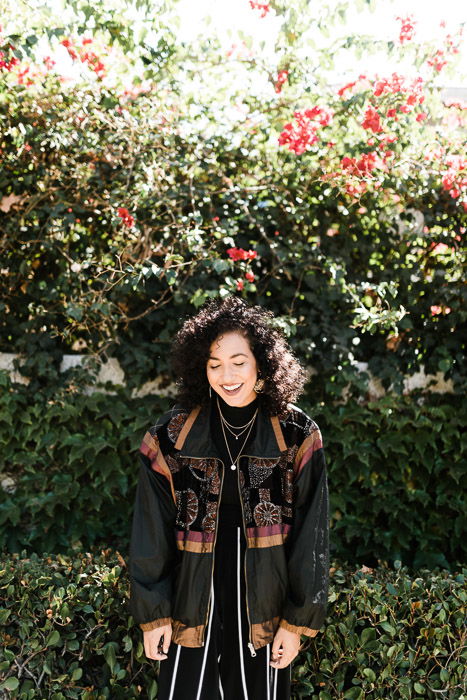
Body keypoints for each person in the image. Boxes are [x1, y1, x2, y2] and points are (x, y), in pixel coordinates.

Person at [128, 295, 330, 700]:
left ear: (262, 364)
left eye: (239, 361)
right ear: (200, 368)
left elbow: (313, 535)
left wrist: (296, 622)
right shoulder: (171, 435)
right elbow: (151, 528)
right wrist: (155, 615)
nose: (227, 375)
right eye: (215, 364)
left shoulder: (296, 434)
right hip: (190, 598)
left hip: (265, 603)